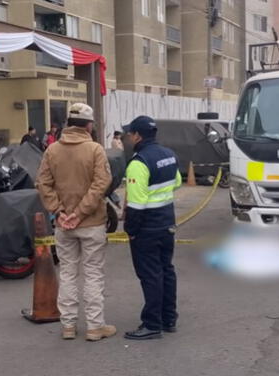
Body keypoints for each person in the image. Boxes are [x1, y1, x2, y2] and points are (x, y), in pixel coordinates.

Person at [36, 103, 115, 342]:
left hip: (63, 224)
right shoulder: (95, 150)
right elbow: (101, 184)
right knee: (92, 274)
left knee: (68, 273)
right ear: (89, 125)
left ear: (69, 124)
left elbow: (43, 184)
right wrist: (80, 213)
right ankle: (94, 327)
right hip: (91, 222)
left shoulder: (52, 150)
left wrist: (59, 212)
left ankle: (68, 325)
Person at [122, 116, 182, 341]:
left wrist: (131, 230)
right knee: (166, 270)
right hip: (167, 223)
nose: (128, 137)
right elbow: (176, 183)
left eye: (130, 134)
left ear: (137, 135)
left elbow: (136, 205)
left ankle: (151, 324)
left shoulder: (139, 162)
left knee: (150, 275)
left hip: (147, 228)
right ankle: (169, 318)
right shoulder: (169, 155)